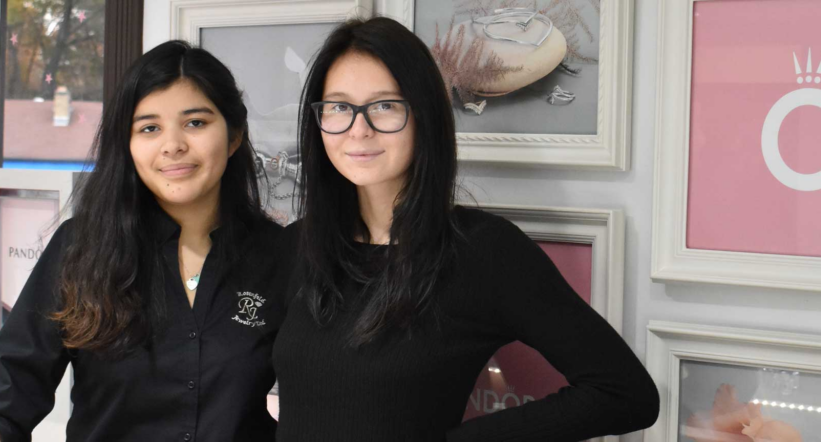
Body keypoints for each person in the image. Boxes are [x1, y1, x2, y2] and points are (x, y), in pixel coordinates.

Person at [273, 17, 659, 442]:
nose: (358, 129)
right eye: (339, 107)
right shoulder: (300, 243)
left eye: (384, 105)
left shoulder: (482, 251)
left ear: (424, 115)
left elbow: (626, 393)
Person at [0, 40, 282, 442]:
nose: (172, 145)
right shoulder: (80, 249)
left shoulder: (280, 256)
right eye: (149, 128)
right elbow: (8, 397)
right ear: (127, 145)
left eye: (195, 123)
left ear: (233, 136)